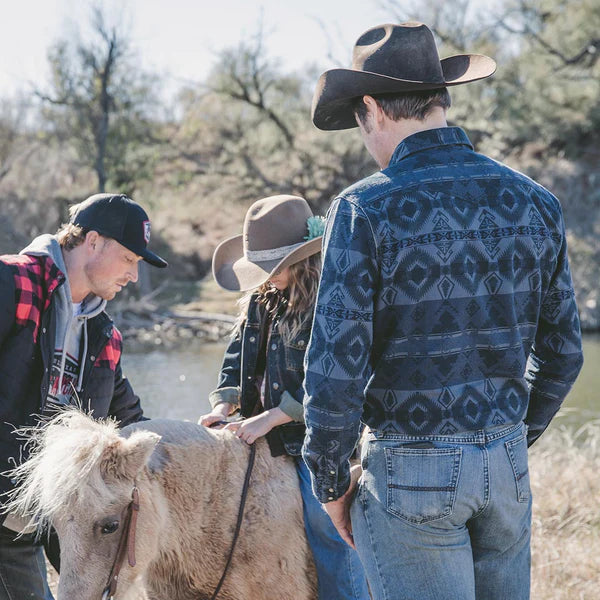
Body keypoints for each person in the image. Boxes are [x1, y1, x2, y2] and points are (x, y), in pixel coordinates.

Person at [302, 22, 584, 600]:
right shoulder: (535, 203)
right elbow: (563, 354)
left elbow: (335, 373)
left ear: (373, 110)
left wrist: (330, 484)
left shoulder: (364, 209)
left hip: (410, 470)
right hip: (506, 464)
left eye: (360, 124)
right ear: (440, 101)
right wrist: (512, 435)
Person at [199, 195, 370, 600]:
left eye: (272, 268)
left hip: (321, 440)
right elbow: (238, 354)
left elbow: (334, 377)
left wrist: (273, 416)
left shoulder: (329, 302)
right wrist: (224, 404)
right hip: (265, 435)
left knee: (327, 530)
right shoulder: (263, 299)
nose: (264, 277)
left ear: (302, 259)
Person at [0, 192, 167, 600]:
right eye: (129, 259)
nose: (133, 275)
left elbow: (128, 417)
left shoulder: (103, 334)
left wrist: (194, 444)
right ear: (92, 241)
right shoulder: (12, 283)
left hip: (23, 529)